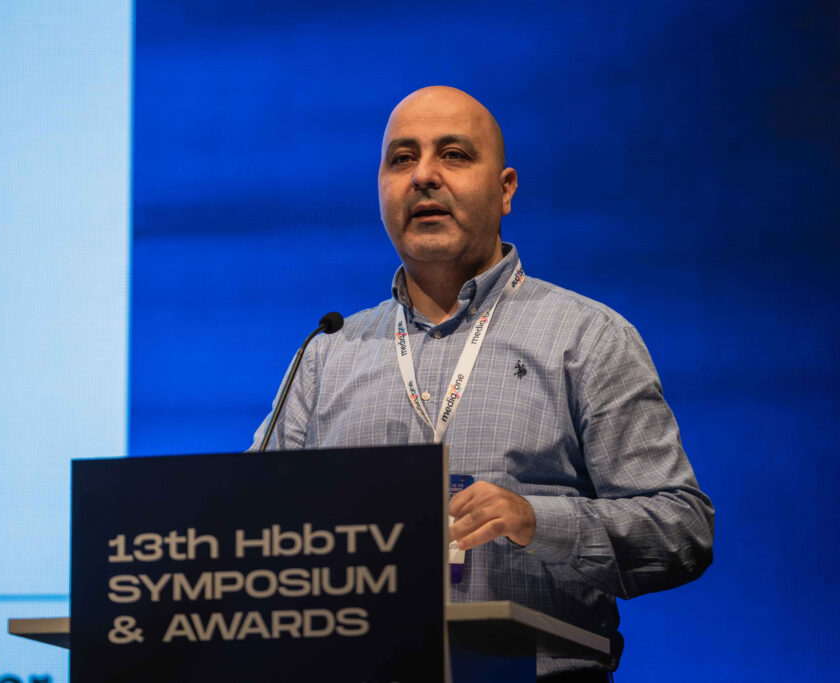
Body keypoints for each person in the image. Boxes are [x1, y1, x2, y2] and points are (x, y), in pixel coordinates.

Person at [252, 86, 714, 680]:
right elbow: (251, 534)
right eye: (402, 159)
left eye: (453, 155)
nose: (423, 176)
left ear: (505, 190)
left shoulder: (587, 337)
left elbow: (682, 530)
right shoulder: (327, 352)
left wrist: (536, 522)